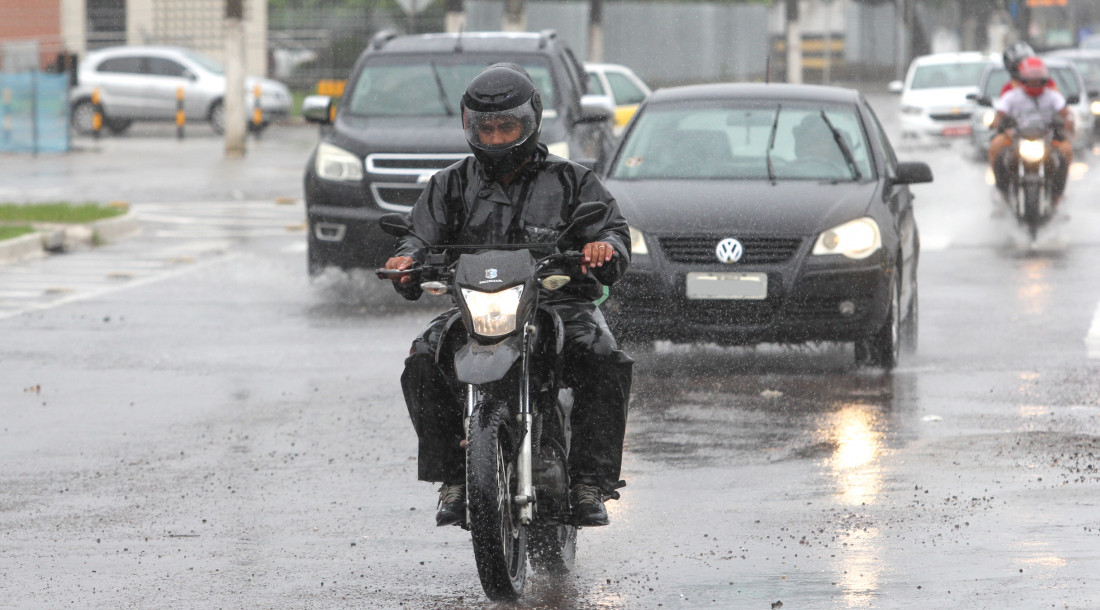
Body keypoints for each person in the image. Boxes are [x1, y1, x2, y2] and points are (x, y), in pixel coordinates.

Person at [382, 63, 634, 528]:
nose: (496, 138)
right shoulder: (450, 184)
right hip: (477, 306)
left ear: (530, 121)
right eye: (486, 128)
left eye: (507, 127)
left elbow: (613, 233)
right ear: (470, 127)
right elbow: (417, 237)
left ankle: (589, 482)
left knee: (603, 356)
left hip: (557, 303)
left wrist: (604, 247)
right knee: (422, 357)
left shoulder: (571, 180)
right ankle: (454, 478)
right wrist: (407, 261)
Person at [988, 56, 1074, 203]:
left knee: (1065, 151)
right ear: (1023, 80)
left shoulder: (1052, 96)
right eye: (1030, 81)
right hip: (1016, 138)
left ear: (1044, 81)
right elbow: (999, 115)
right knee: (996, 146)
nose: (1034, 85)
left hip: (1047, 138)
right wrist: (1000, 125)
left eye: (1038, 81)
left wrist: (1067, 124)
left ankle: (1057, 197)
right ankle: (1003, 192)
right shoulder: (1012, 96)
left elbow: (1066, 113)